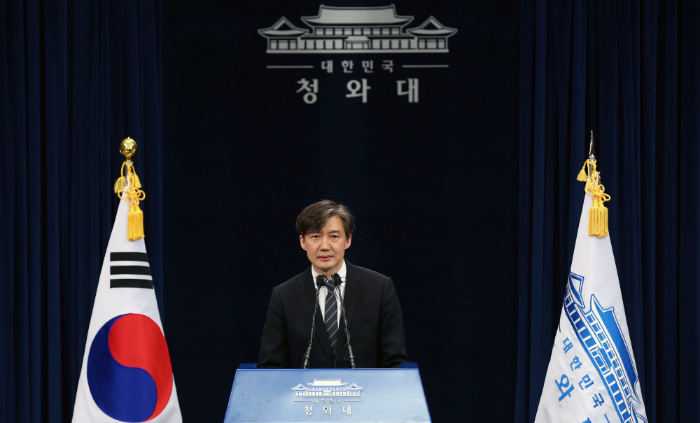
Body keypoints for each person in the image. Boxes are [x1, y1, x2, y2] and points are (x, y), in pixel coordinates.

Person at [257, 200, 410, 368]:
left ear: (348, 240)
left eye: (334, 236)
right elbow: (270, 366)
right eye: (315, 236)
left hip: (366, 393)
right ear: (302, 242)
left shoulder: (379, 288)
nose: (324, 246)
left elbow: (395, 362)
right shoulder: (284, 295)